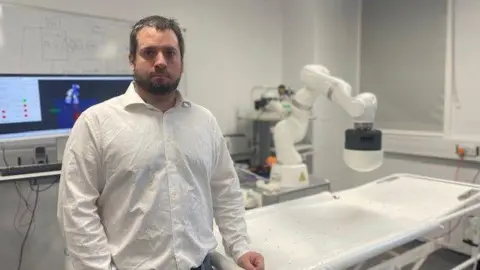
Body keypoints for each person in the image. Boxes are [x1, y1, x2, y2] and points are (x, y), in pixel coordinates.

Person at [57, 15, 265, 270]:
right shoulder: (95, 123)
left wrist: (240, 247)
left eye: (170, 52)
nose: (160, 62)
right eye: (149, 53)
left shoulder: (204, 122)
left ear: (181, 62)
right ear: (132, 59)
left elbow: (225, 190)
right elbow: (76, 209)